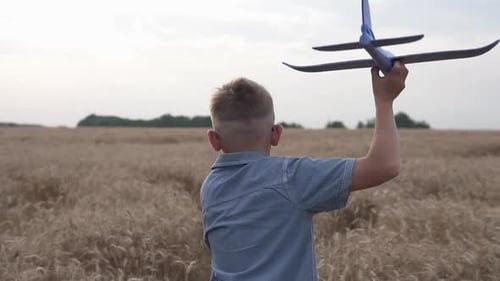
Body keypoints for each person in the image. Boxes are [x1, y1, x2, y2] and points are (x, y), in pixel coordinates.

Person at [200, 62, 409, 281]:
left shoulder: (210, 188)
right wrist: (385, 100)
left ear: (214, 140)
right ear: (276, 134)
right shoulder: (290, 178)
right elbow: (385, 165)